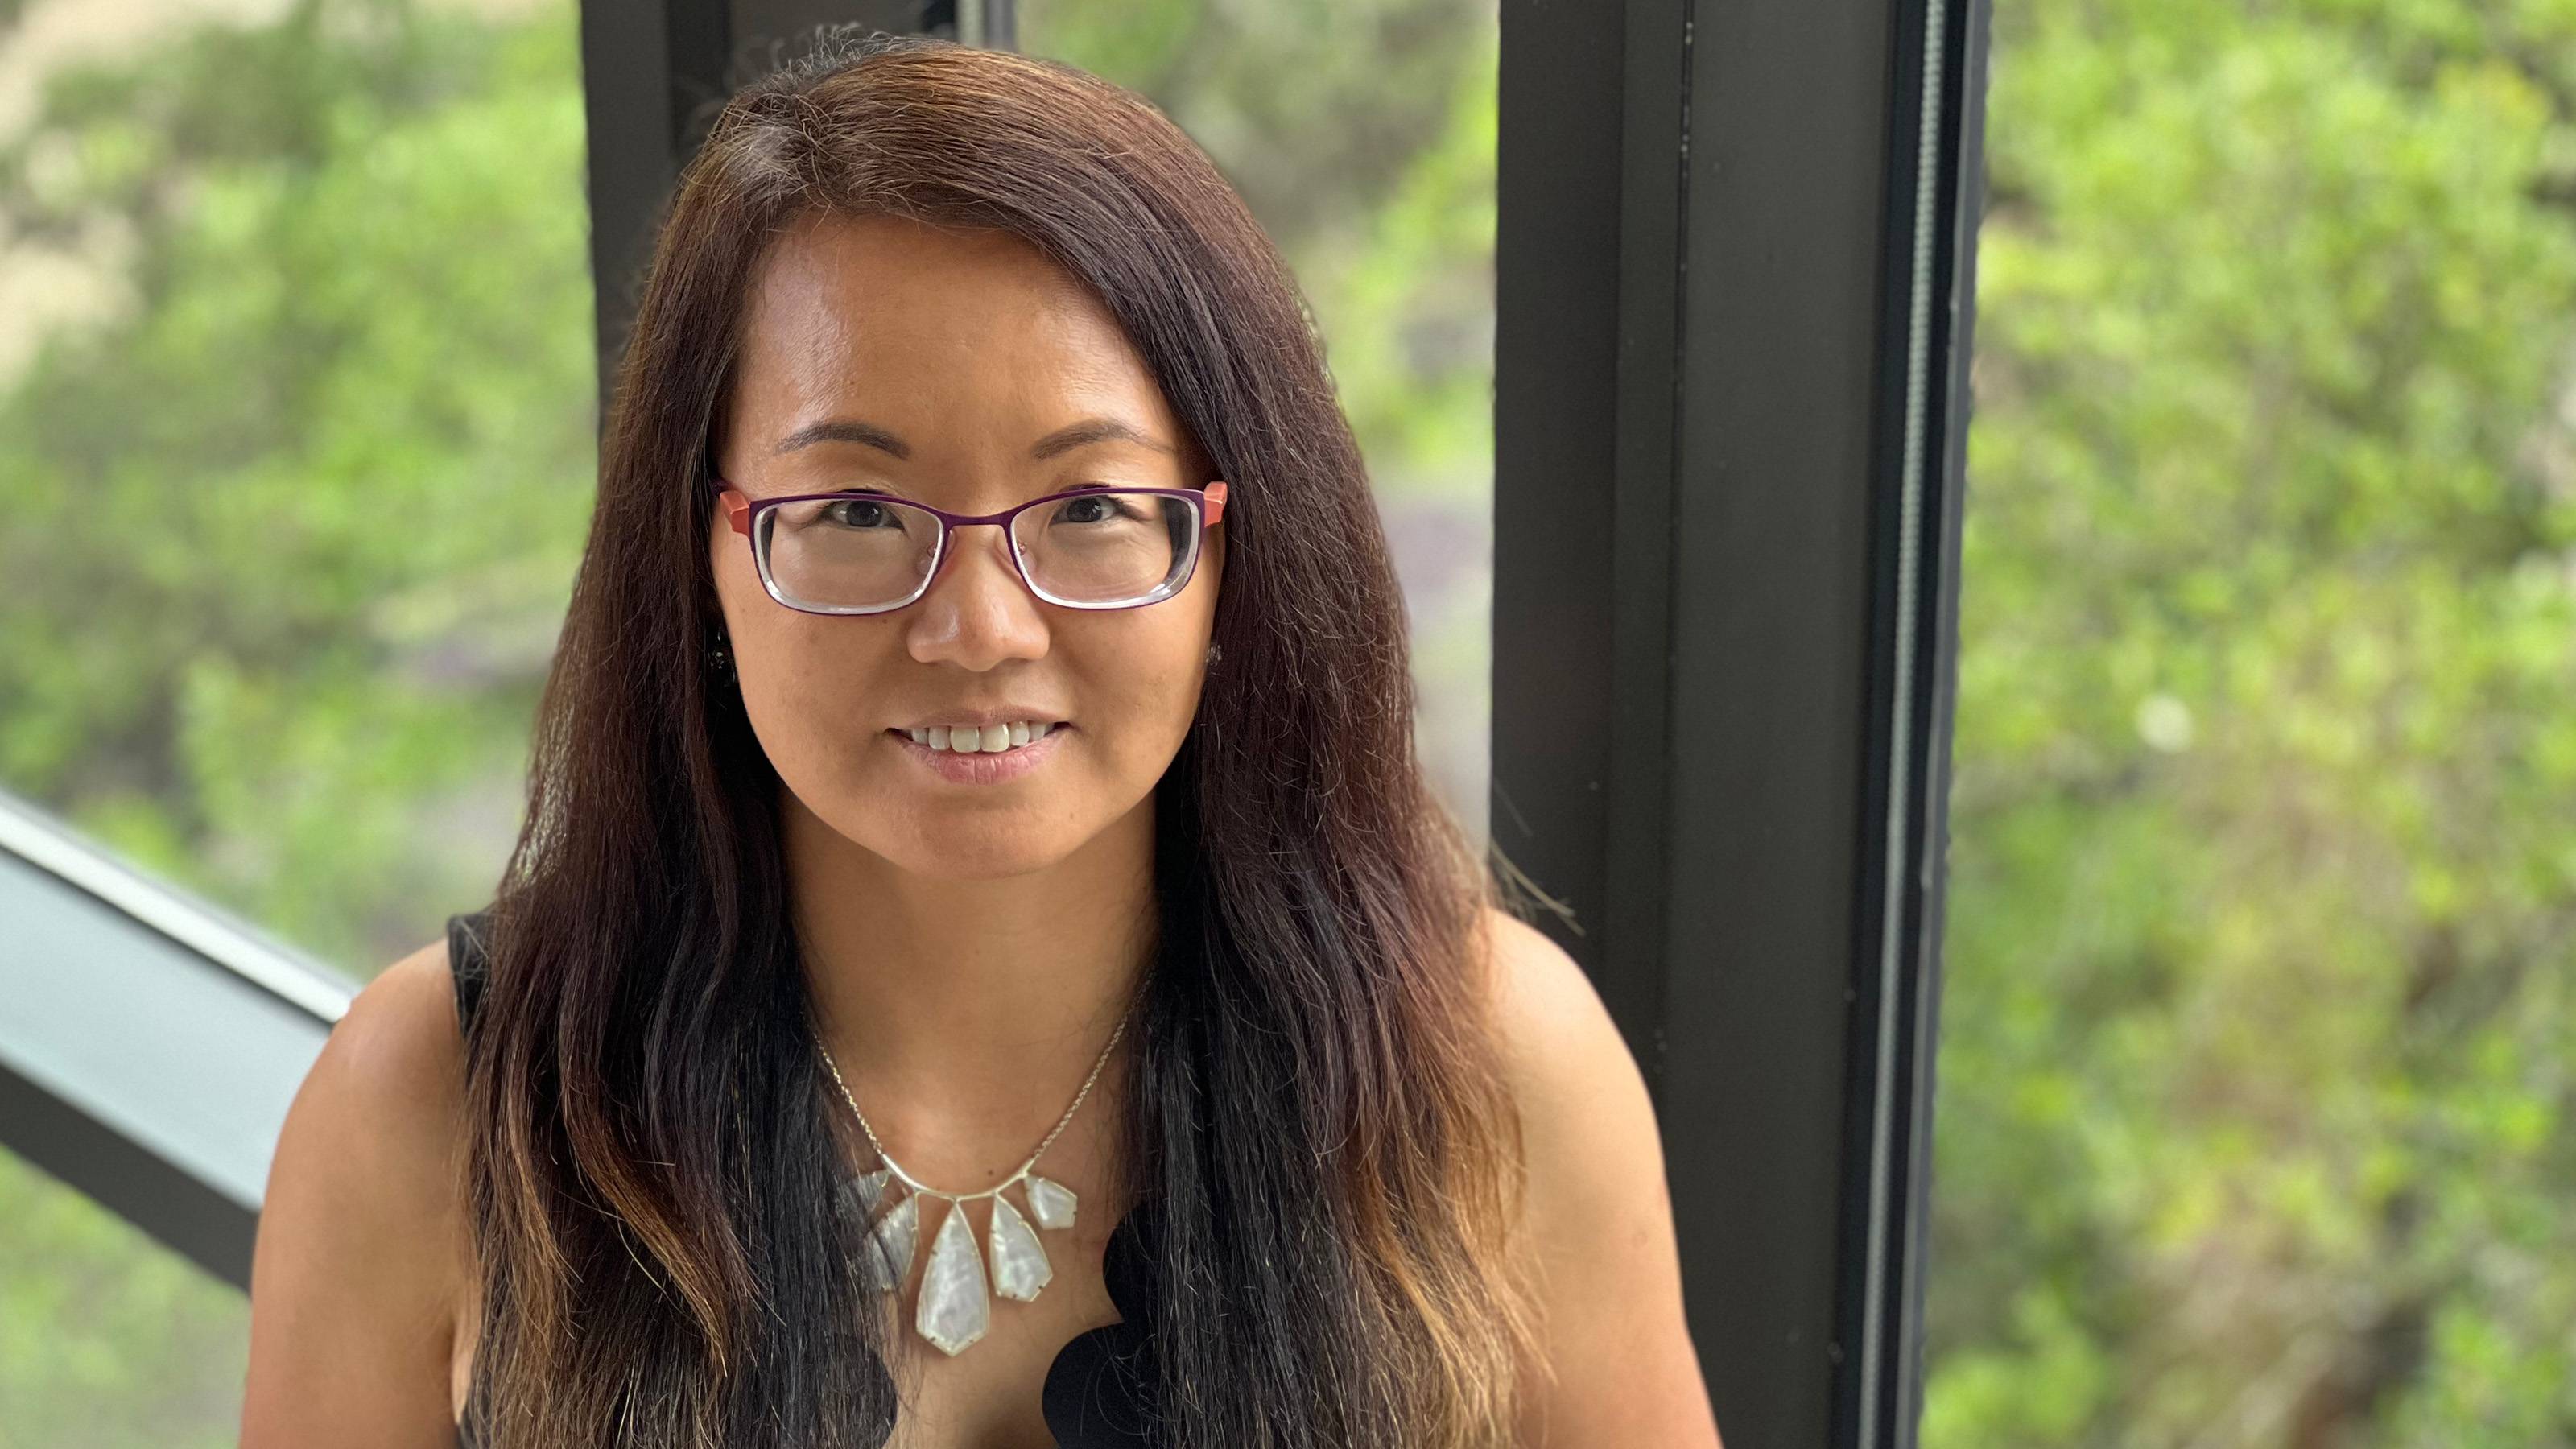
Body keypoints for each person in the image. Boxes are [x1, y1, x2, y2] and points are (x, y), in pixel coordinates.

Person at [240, 27, 1719, 1449]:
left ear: (1231, 553)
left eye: (1089, 508)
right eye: (857, 516)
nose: (979, 629)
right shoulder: (433, 1098)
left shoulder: (1490, 1068)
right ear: (701, 551)